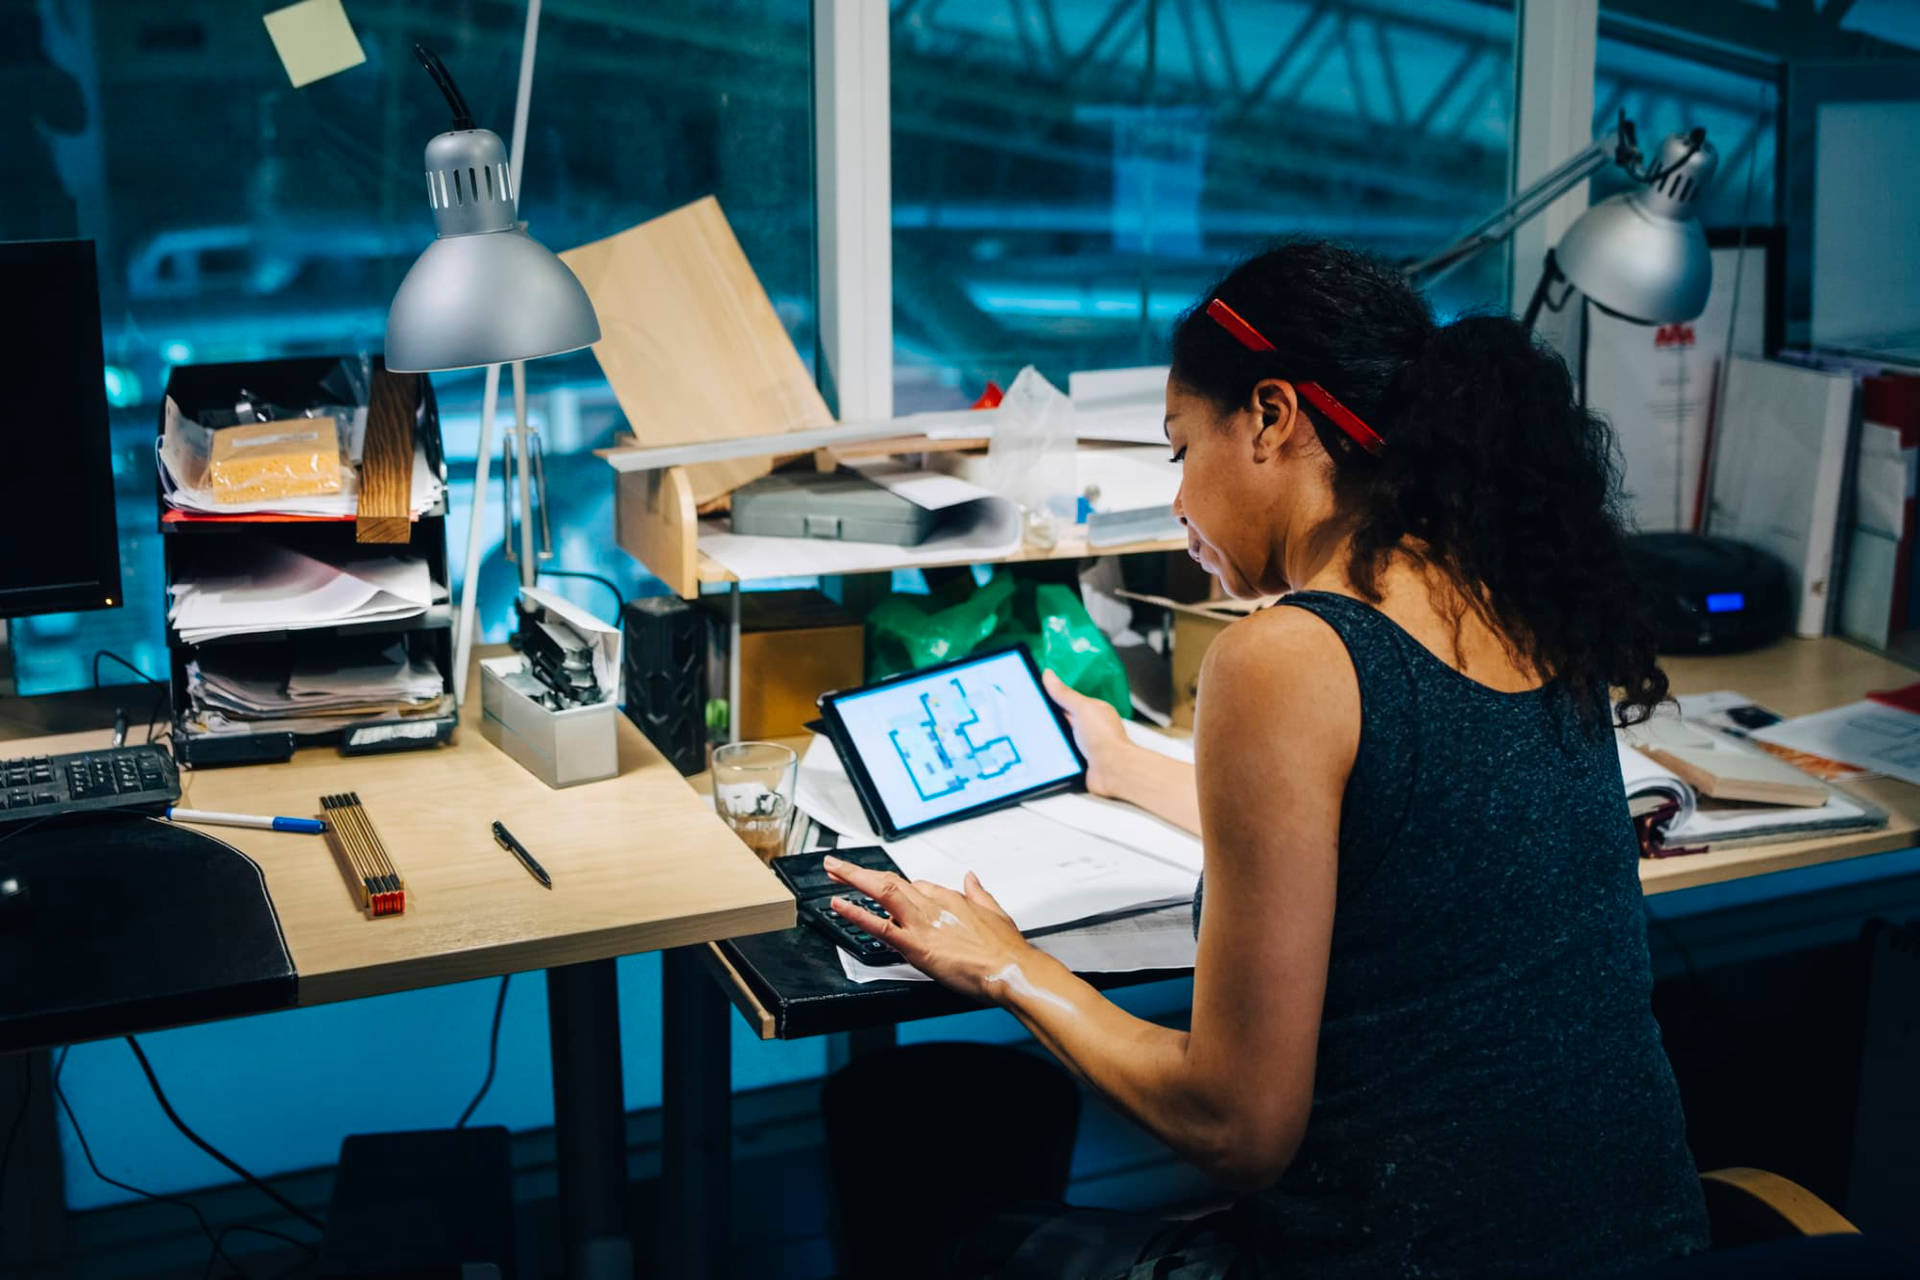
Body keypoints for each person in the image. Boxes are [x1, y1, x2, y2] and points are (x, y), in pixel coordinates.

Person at [822, 241, 1710, 1279]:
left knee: (959, 1241)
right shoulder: (1522, 587)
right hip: (1650, 1247)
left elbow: (1236, 1127)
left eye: (1179, 447)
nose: (1181, 495)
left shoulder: (1287, 654)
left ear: (1273, 416)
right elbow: (1405, 826)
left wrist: (1006, 962)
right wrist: (1123, 763)